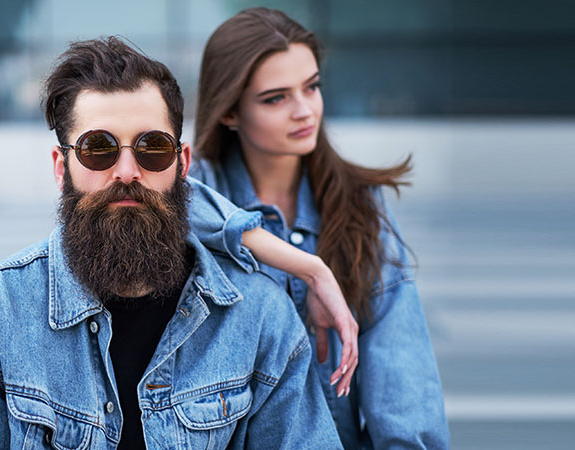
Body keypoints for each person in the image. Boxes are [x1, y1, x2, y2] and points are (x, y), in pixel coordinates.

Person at [0, 36, 342, 449]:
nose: (127, 172)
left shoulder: (260, 319)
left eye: (152, 148)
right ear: (61, 167)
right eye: (98, 148)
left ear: (182, 164)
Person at [189, 7, 450, 449]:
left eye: (311, 87)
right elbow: (165, 198)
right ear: (229, 112)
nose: (304, 110)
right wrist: (311, 268)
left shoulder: (360, 207)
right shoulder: (202, 189)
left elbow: (405, 397)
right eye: (276, 98)